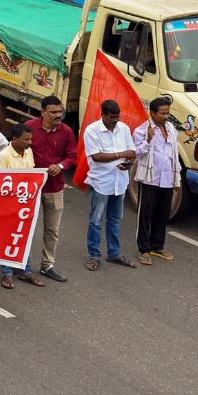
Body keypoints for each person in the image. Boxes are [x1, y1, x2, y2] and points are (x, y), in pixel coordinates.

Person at [25, 96, 76, 282]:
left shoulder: (67, 132)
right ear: (43, 112)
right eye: (53, 112)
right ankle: (22, 263)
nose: (58, 115)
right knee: (26, 226)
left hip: (54, 188)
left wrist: (61, 166)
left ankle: (47, 265)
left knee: (52, 229)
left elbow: (72, 156)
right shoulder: (29, 127)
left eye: (60, 111)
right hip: (30, 188)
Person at [84, 99, 138, 271]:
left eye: (117, 117)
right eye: (112, 117)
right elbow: (97, 156)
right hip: (101, 181)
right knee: (96, 220)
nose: (116, 120)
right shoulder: (92, 131)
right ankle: (94, 255)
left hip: (120, 181)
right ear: (103, 115)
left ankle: (114, 253)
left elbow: (131, 152)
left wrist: (129, 161)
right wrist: (121, 154)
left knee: (115, 219)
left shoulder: (124, 129)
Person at [0, 126, 44, 287]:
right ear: (14, 139)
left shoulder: (28, 152)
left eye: (30, 139)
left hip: (26, 204)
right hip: (7, 206)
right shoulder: (3, 156)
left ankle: (26, 271)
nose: (30, 142)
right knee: (7, 238)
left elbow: (32, 175)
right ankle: (7, 273)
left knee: (23, 237)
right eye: (26, 139)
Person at [133, 96, 182, 265]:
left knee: (162, 213)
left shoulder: (171, 128)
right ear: (152, 113)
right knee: (146, 215)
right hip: (150, 179)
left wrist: (177, 180)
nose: (166, 116)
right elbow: (137, 153)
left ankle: (157, 246)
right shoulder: (142, 130)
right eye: (162, 113)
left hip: (167, 179)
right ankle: (144, 249)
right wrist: (148, 139)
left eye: (167, 113)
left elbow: (174, 155)